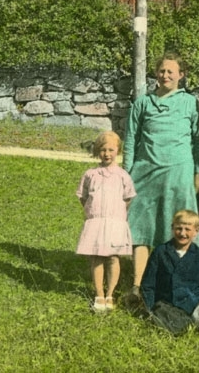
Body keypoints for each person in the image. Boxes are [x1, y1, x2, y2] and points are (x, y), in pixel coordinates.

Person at [123, 52, 199, 302]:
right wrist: (126, 177)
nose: (165, 75)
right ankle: (138, 285)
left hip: (178, 174)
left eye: (171, 71)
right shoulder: (142, 103)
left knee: (180, 227)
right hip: (145, 173)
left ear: (182, 75)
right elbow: (131, 140)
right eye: (162, 71)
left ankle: (180, 283)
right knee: (141, 227)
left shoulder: (190, 103)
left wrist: (198, 172)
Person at [140, 210, 199, 332]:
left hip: (193, 303)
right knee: (165, 321)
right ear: (172, 228)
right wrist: (148, 309)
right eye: (178, 228)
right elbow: (148, 285)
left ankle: (197, 323)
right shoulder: (161, 252)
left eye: (187, 229)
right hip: (168, 303)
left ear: (196, 230)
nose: (182, 233)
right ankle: (184, 325)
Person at [75, 130, 136, 312]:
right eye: (103, 150)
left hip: (115, 222)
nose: (107, 154)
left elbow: (128, 198)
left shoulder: (123, 175)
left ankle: (110, 293)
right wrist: (93, 212)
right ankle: (99, 294)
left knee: (113, 257)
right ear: (97, 151)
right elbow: (83, 196)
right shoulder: (91, 174)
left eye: (111, 150)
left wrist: (116, 215)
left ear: (118, 150)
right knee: (96, 257)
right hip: (96, 221)